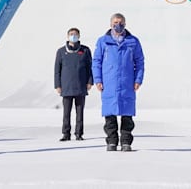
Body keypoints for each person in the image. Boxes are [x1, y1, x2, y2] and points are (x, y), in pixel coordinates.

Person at [92, 13, 145, 152]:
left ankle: (126, 142)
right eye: (115, 22)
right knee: (110, 115)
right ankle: (111, 141)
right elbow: (96, 61)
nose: (118, 25)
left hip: (127, 83)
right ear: (111, 24)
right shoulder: (103, 41)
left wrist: (138, 79)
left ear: (125, 24)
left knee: (127, 115)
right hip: (109, 83)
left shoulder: (133, 41)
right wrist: (97, 79)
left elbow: (139, 62)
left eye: (121, 22)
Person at [54, 27, 93, 141]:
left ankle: (79, 134)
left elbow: (90, 68)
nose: (73, 36)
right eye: (71, 34)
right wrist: (57, 85)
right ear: (67, 36)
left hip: (81, 85)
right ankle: (66, 134)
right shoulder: (61, 51)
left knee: (79, 112)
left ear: (79, 36)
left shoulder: (85, 50)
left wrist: (90, 81)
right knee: (66, 113)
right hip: (66, 86)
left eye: (75, 34)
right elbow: (57, 69)